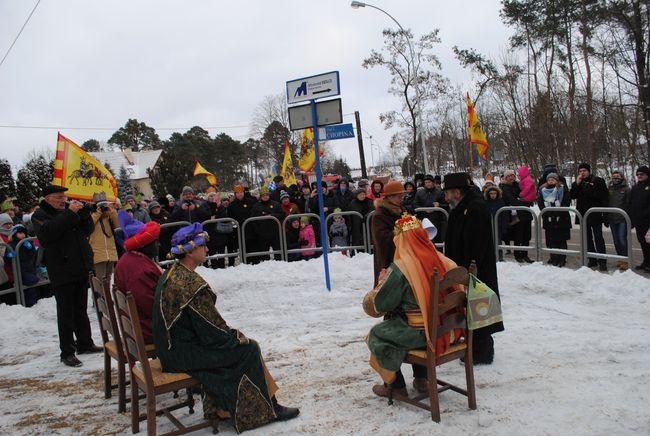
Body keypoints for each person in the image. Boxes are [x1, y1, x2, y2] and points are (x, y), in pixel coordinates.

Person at [152, 223, 299, 432]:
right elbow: (212, 332)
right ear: (191, 251)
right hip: (181, 354)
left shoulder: (171, 273)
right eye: (203, 246)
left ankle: (225, 407)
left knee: (239, 346)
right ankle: (263, 409)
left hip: (171, 348)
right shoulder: (190, 285)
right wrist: (236, 338)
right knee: (248, 349)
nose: (207, 250)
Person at [363, 214, 462, 398]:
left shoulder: (402, 268)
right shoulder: (442, 260)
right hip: (451, 330)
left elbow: (380, 304)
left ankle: (396, 385)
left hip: (426, 335)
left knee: (378, 333)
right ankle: (422, 379)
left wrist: (381, 283)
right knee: (406, 322)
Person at [31, 185, 102, 367]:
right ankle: (67, 352)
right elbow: (48, 234)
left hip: (79, 267)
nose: (63, 199)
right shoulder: (40, 215)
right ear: (47, 199)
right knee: (66, 313)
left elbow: (86, 231)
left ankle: (85, 343)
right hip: (61, 270)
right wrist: (70, 213)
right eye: (58, 197)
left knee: (80, 309)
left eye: (64, 196)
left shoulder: (68, 213)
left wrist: (85, 214)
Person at [443, 172, 504, 364]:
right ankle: (475, 346)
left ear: (457, 192)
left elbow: (476, 241)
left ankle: (481, 352)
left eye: (448, 193)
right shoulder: (463, 206)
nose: (445, 197)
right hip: (465, 267)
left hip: (476, 268)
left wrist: (470, 266)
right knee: (471, 307)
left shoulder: (475, 208)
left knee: (479, 306)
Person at [114, 210, 162, 344]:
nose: (159, 245)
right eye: (155, 242)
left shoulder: (131, 258)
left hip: (137, 325)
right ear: (145, 245)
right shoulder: (139, 270)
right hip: (147, 330)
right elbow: (153, 308)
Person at [570, 163, 609, 271]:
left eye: (584, 171)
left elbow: (604, 197)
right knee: (587, 238)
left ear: (589, 171)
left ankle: (602, 260)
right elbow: (572, 195)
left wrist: (605, 214)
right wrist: (577, 184)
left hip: (595, 214)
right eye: (580, 171)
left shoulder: (598, 181)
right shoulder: (578, 182)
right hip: (583, 214)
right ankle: (592, 259)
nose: (582, 173)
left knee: (598, 238)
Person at [371, 181, 406, 286]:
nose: (401, 199)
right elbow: (382, 238)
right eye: (399, 197)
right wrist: (400, 230)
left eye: (402, 196)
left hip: (403, 255)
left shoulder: (401, 209)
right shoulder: (379, 214)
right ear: (389, 197)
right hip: (388, 257)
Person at [500, 169, 534, 263]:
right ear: (505, 178)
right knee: (518, 236)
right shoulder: (504, 188)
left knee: (526, 236)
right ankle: (517, 255)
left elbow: (527, 194)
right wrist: (525, 202)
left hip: (525, 214)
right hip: (515, 216)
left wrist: (528, 199)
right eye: (509, 176)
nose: (511, 177)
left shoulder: (519, 185)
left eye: (512, 175)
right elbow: (512, 201)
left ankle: (525, 255)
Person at [537, 173, 571, 267]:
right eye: (549, 180)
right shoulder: (543, 190)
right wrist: (548, 213)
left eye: (553, 179)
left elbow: (566, 201)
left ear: (557, 180)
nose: (551, 181)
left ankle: (562, 259)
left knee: (561, 240)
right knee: (551, 240)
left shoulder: (562, 189)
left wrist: (558, 213)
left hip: (562, 218)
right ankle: (554, 258)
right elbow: (540, 203)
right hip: (549, 218)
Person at [88, 193, 119, 292]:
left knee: (108, 279)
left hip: (110, 252)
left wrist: (113, 212)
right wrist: (98, 213)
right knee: (100, 280)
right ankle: (100, 300)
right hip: (97, 252)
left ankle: (107, 299)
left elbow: (118, 227)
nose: (103, 207)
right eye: (100, 205)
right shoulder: (91, 215)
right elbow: (88, 226)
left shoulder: (109, 216)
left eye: (104, 205)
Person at [250, 186, 284, 263]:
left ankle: (280, 265)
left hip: (275, 233)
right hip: (262, 235)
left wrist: (272, 216)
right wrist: (257, 231)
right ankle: (266, 268)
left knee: (278, 253)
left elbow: (282, 214)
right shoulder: (256, 206)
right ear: (261, 196)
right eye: (263, 195)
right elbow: (252, 220)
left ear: (269, 195)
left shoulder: (276, 204)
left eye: (266, 195)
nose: (265, 197)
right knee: (264, 255)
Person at [9, 224, 39, 306]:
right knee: (29, 285)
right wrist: (9, 255)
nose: (23, 235)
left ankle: (33, 304)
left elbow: (33, 255)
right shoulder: (12, 244)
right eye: (20, 233)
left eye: (24, 233)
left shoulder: (27, 242)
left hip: (29, 268)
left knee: (32, 287)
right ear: (14, 234)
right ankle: (29, 304)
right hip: (20, 270)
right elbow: (7, 257)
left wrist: (31, 248)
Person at [607, 171, 631, 270]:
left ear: (622, 177)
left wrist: (629, 218)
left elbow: (629, 204)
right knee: (616, 241)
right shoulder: (610, 189)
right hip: (612, 219)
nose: (616, 178)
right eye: (614, 177)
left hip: (622, 219)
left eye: (618, 176)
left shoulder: (626, 189)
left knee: (622, 239)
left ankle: (625, 260)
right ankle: (620, 258)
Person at [628, 165, 650, 271]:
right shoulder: (635, 187)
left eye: (642, 174)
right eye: (638, 174)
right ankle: (646, 261)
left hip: (648, 221)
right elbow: (631, 203)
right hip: (638, 221)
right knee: (642, 242)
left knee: (649, 242)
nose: (639, 176)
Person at [484, 186, 508, 262]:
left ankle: (500, 257)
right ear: (488, 194)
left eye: (494, 193)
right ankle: (489, 257)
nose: (493, 195)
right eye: (491, 193)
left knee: (498, 241)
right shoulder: (485, 202)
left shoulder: (501, 202)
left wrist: (504, 227)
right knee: (488, 242)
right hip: (488, 226)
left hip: (498, 225)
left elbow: (504, 215)